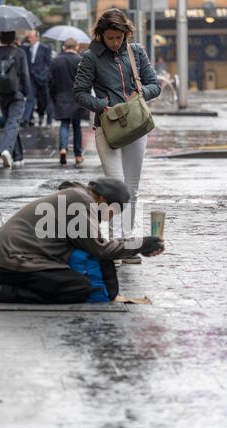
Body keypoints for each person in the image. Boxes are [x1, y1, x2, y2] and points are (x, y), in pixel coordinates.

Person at [0, 177, 165, 304]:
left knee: (76, 283)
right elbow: (100, 249)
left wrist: (138, 247)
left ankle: (3, 286)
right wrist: (139, 244)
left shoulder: (77, 198)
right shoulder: (80, 203)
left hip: (5, 260)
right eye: (113, 211)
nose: (110, 217)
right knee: (79, 288)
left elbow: (96, 245)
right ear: (102, 199)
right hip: (8, 262)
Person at [74, 8, 161, 263]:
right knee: (116, 186)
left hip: (136, 125)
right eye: (110, 37)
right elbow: (79, 92)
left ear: (126, 34)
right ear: (100, 35)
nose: (115, 42)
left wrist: (141, 92)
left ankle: (127, 242)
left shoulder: (136, 52)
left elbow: (155, 84)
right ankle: (115, 245)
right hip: (107, 127)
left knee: (131, 189)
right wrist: (102, 105)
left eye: (119, 37)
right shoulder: (90, 57)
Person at [0, 31, 30, 169]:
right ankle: (6, 150)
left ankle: (18, 157)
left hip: (1, 93)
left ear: (0, 38)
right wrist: (25, 92)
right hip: (16, 93)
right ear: (13, 39)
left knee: (11, 123)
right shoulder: (19, 53)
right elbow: (24, 74)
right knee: (13, 122)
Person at [49, 38, 89, 168]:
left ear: (64, 48)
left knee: (64, 124)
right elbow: (87, 80)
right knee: (77, 126)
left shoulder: (55, 61)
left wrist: (53, 95)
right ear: (76, 47)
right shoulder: (80, 61)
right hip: (77, 97)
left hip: (61, 96)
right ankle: (78, 155)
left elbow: (50, 81)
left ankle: (63, 148)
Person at [20, 30, 51, 128]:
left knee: (43, 100)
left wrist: (43, 75)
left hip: (42, 78)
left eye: (31, 37)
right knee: (30, 98)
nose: (29, 39)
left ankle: (41, 115)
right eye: (28, 37)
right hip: (31, 78)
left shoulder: (45, 48)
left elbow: (48, 64)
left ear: (37, 37)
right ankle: (26, 119)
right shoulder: (26, 48)